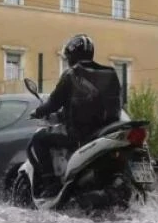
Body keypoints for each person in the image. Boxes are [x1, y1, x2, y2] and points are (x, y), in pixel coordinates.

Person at [27, 34, 123, 195]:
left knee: (39, 139)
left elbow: (53, 103)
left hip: (79, 134)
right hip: (108, 131)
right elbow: (118, 103)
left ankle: (52, 185)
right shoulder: (110, 72)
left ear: (71, 55)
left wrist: (37, 111)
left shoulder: (71, 74)